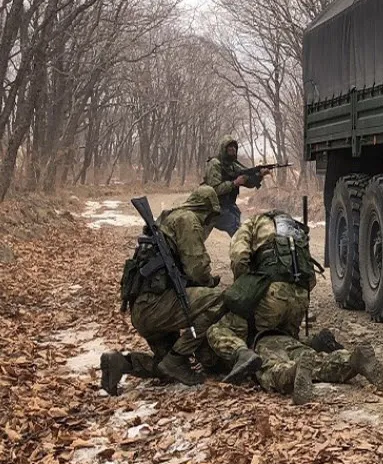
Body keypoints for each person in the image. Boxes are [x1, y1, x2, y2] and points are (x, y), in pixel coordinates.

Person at [103, 186, 227, 395]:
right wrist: (208, 283)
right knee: (222, 298)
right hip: (158, 305)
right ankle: (178, 358)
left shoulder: (167, 220)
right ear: (207, 209)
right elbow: (197, 269)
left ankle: (122, 363)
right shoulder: (188, 219)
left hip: (144, 309)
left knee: (165, 368)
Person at [207, 209, 319, 383]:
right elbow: (311, 278)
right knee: (282, 341)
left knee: (220, 331)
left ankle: (246, 357)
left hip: (272, 294)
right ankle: (313, 354)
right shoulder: (296, 230)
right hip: (301, 297)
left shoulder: (254, 223)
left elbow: (239, 257)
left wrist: (246, 289)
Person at [251, 328, 383, 405]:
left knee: (270, 369)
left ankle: (292, 372)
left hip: (262, 342)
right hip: (289, 338)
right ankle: (351, 360)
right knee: (316, 362)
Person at [203, 135, 259, 236]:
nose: (233, 149)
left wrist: (260, 175)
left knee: (238, 229)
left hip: (226, 206)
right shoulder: (215, 164)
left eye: (234, 147)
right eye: (230, 147)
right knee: (197, 237)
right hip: (211, 206)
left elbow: (249, 182)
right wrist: (234, 183)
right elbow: (214, 189)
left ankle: (239, 245)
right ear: (224, 149)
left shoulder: (233, 166)